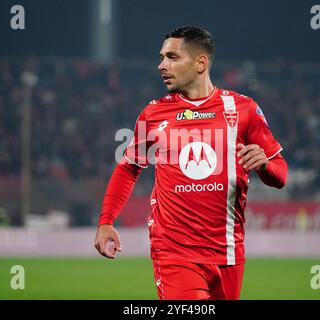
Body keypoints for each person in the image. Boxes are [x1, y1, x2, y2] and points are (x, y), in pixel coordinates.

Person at [94, 26, 288, 300]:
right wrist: (106, 221)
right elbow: (129, 167)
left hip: (229, 250)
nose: (162, 65)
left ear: (200, 63)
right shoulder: (154, 113)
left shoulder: (243, 109)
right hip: (174, 250)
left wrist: (265, 166)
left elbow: (280, 175)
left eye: (172, 57)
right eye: (162, 57)